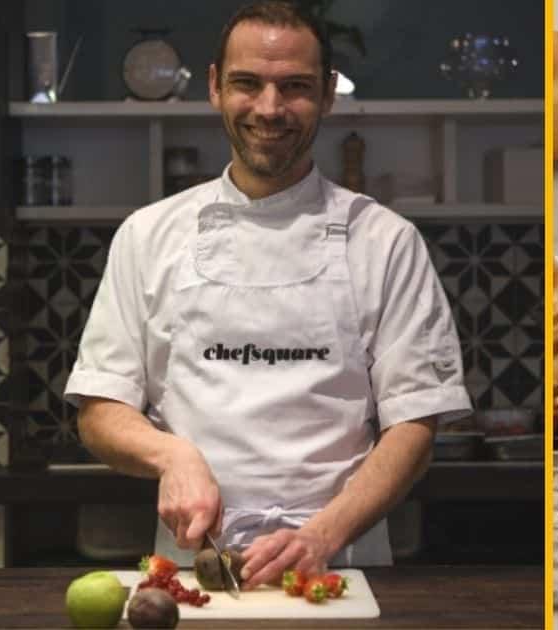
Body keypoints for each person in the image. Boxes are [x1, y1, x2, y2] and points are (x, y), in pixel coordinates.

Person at [65, 0, 471, 589]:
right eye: (247, 84)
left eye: (296, 87)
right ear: (214, 87)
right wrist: (173, 456)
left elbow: (415, 427)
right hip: (192, 569)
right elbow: (100, 411)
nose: (270, 108)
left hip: (340, 570)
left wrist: (322, 536)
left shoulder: (385, 241)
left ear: (328, 94)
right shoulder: (148, 235)